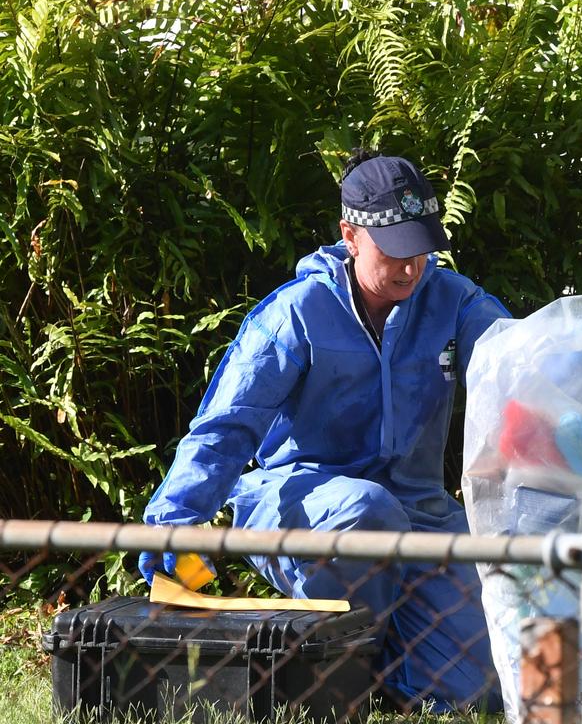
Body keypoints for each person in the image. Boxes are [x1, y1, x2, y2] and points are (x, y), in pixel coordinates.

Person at [138, 150, 510, 712]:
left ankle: (385, 678)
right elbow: (227, 427)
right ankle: (327, 680)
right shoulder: (296, 313)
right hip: (300, 502)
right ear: (351, 235)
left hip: (420, 511)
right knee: (368, 508)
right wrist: (174, 523)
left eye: (422, 247)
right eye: (395, 249)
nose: (411, 266)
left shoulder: (455, 301)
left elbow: (519, 366)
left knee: (468, 692)